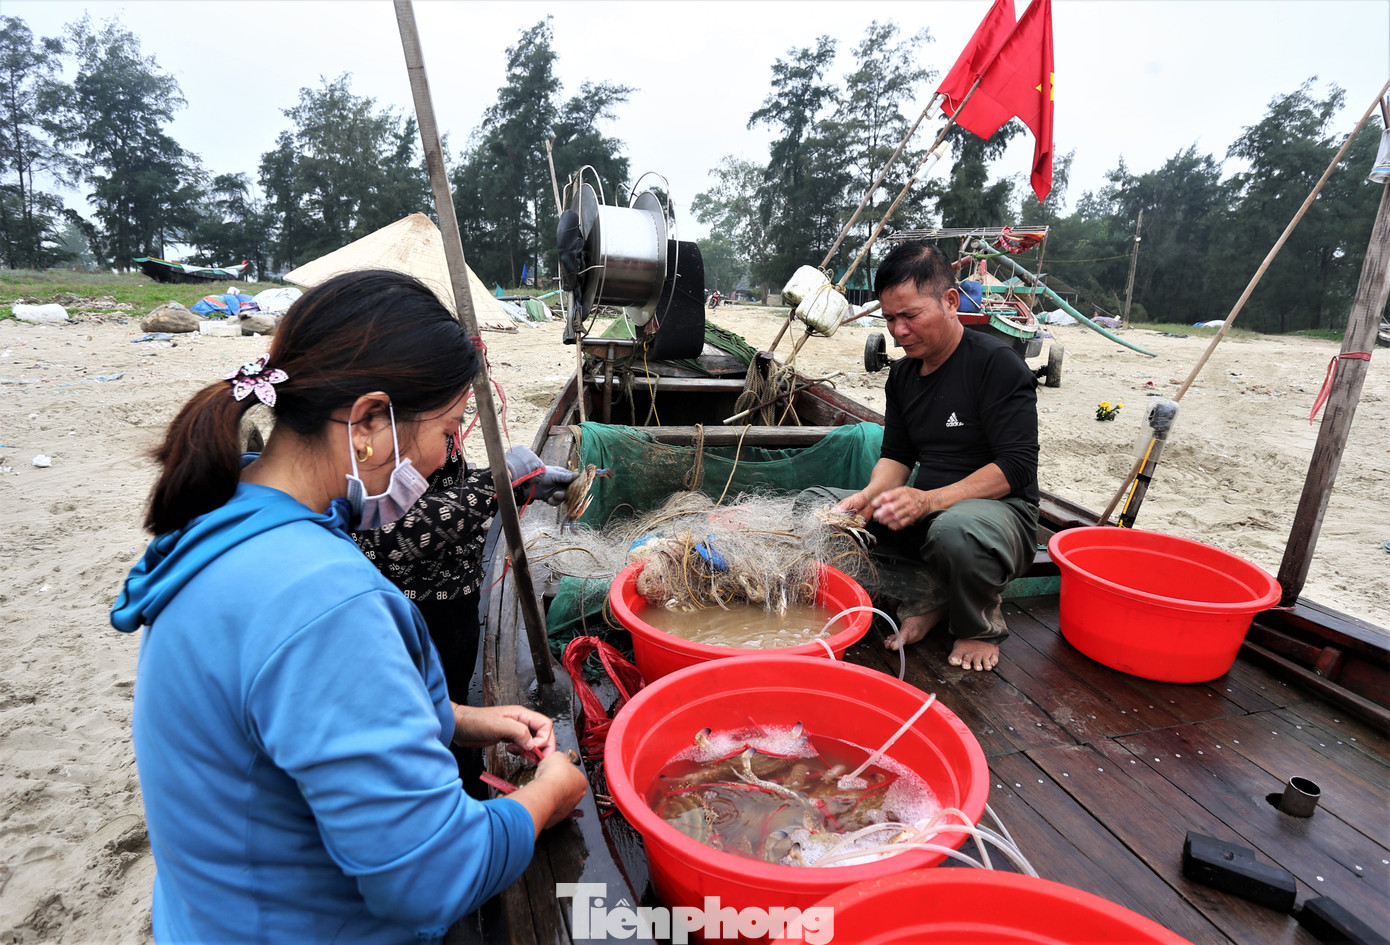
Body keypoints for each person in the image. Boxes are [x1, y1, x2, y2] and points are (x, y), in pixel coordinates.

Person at [110, 270, 588, 943]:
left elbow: (291, 716)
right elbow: (430, 876)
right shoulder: (325, 602)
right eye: (448, 430)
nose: (442, 457)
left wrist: (459, 719)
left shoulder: (224, 521)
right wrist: (545, 798)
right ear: (367, 422)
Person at [832, 242, 1039, 672]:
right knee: (823, 511)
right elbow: (897, 457)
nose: (899, 331)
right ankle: (932, 598)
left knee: (953, 532)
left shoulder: (997, 364)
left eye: (910, 316)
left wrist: (927, 500)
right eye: (890, 318)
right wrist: (868, 498)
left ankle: (978, 625)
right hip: (929, 513)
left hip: (1000, 516)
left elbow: (1017, 467)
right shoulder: (902, 375)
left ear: (950, 302)